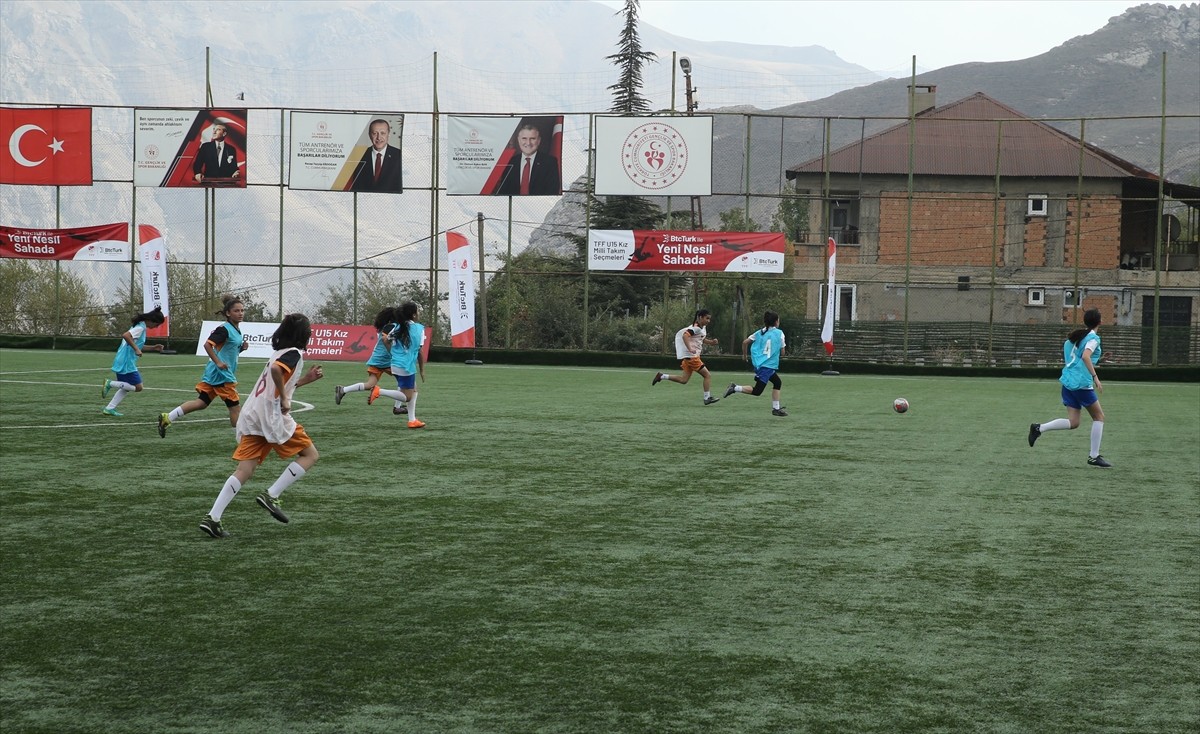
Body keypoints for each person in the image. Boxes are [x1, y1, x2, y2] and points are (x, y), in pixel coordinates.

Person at [200, 313, 325, 539]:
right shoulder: (294, 353)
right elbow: (278, 371)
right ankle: (272, 494)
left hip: (253, 413)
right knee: (310, 455)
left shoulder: (279, 352)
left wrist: (306, 379)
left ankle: (213, 517)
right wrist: (285, 401)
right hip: (272, 416)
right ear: (302, 334)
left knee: (244, 470)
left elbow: (282, 379)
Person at [1028, 308, 1112, 467]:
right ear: (1100, 322)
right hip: (1081, 384)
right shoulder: (1093, 338)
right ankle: (1094, 456)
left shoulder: (1076, 338)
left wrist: (1099, 358)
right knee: (1099, 417)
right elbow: (1085, 356)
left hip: (1068, 382)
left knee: (1074, 422)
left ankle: (1039, 428)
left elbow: (1078, 358)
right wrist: (1095, 377)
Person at [159, 295, 247, 437]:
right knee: (235, 408)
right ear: (228, 313)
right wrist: (218, 362)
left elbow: (225, 350)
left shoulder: (234, 329)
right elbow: (207, 345)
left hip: (215, 373)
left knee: (202, 403)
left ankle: (168, 417)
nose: (241, 313)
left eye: (242, 310)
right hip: (222, 375)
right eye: (237, 311)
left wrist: (241, 348)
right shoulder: (224, 329)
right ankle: (242, 444)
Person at [334, 306, 406, 415]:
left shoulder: (385, 326)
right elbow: (385, 337)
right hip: (386, 360)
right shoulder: (392, 326)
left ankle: (343, 390)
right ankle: (397, 407)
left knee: (369, 385)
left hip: (377, 359)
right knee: (403, 381)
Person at [370, 301, 426, 429]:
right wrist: (422, 370)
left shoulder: (398, 326)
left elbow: (385, 339)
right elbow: (419, 350)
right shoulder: (418, 329)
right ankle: (379, 391)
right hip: (406, 366)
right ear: (413, 315)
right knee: (407, 397)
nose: (419, 313)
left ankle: (412, 420)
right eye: (417, 311)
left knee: (414, 388)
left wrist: (393, 352)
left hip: (396, 364)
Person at [102, 307, 166, 416]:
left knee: (126, 386)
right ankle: (110, 383)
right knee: (138, 387)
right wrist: (136, 349)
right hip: (127, 362)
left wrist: (153, 348)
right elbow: (126, 335)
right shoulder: (140, 328)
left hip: (123, 359)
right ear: (151, 321)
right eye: (157, 325)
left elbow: (137, 344)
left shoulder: (139, 326)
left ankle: (109, 408)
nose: (156, 327)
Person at [723, 310, 788, 416]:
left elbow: (745, 342)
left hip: (760, 364)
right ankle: (734, 388)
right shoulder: (779, 333)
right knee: (757, 391)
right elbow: (783, 352)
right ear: (776, 322)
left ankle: (776, 408)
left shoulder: (759, 332)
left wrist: (744, 356)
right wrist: (780, 352)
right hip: (767, 366)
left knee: (777, 382)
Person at [652, 309, 720, 405]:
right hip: (692, 358)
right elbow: (685, 336)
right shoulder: (695, 328)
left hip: (690, 358)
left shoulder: (702, 328)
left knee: (683, 380)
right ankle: (707, 398)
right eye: (707, 318)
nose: (708, 321)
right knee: (707, 375)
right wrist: (690, 348)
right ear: (700, 317)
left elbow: (701, 339)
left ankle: (661, 376)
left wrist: (711, 342)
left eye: (709, 319)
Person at [496, 123, 560, 196]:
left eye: (532, 138)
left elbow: (552, 190)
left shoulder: (550, 162)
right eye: (524, 138)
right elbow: (504, 190)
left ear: (539, 141)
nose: (528, 143)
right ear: (519, 140)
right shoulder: (511, 161)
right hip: (515, 203)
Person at [350, 118, 403, 193]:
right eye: (375, 133)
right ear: (369, 135)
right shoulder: (359, 156)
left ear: (388, 134)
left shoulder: (398, 155)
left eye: (383, 133)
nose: (378, 137)